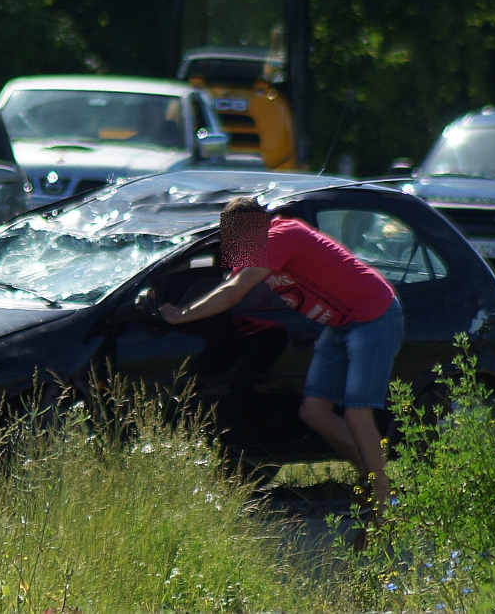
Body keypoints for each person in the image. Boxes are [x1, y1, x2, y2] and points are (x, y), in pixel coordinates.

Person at [158, 197, 404, 509]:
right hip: (341, 322)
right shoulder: (257, 247)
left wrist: (179, 315)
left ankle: (385, 502)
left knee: (357, 414)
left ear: (253, 229)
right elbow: (228, 282)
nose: (233, 247)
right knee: (314, 412)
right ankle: (371, 478)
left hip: (374, 315)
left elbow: (231, 293)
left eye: (235, 238)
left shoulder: (281, 236)